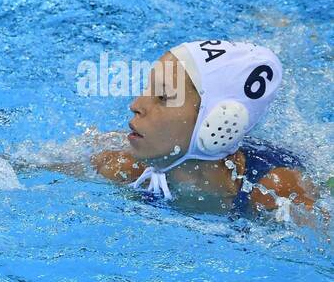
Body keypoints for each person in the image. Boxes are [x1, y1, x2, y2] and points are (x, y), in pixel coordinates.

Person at [83, 40, 318, 220]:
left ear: (219, 120)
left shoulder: (275, 191)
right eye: (146, 90)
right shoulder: (125, 169)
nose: (136, 105)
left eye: (163, 97)